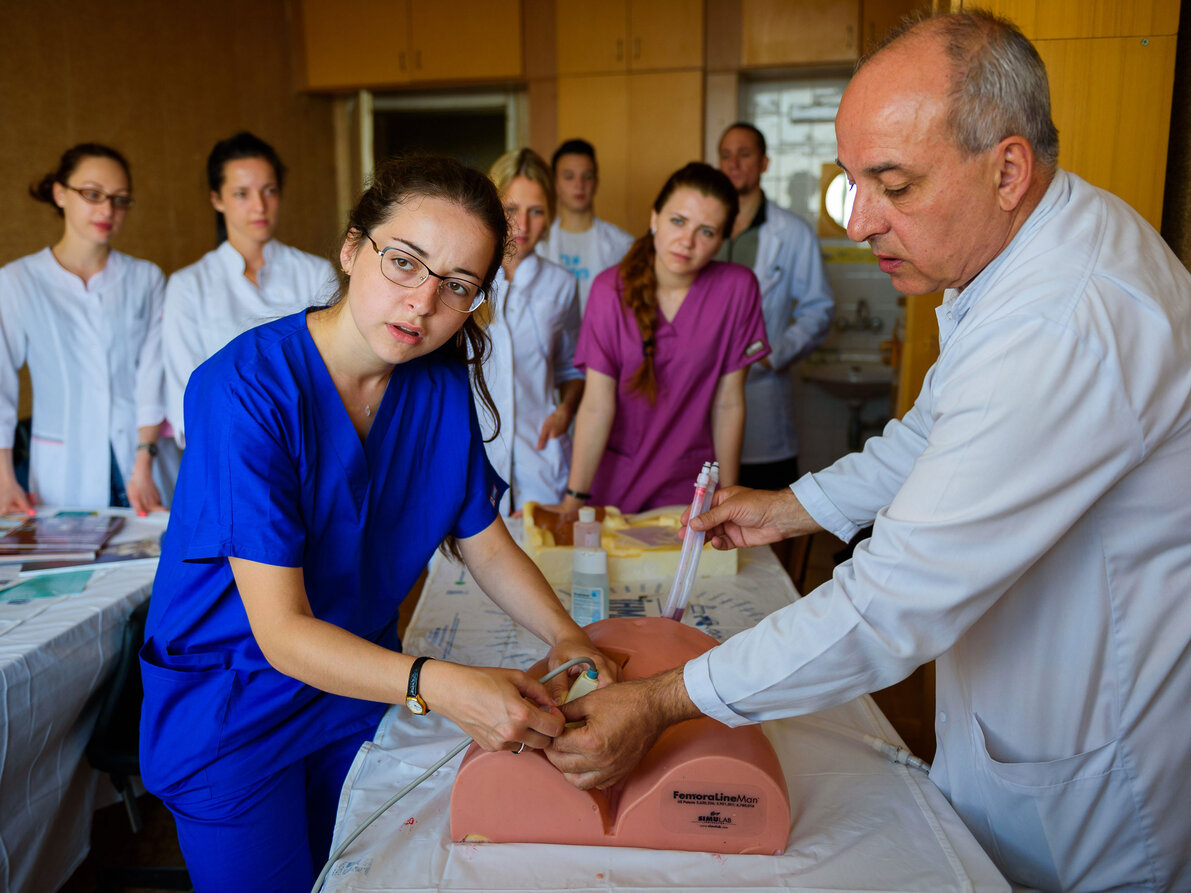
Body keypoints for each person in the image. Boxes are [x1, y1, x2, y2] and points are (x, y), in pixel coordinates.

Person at [546, 11, 1191, 892]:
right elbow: (930, 433)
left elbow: (891, 598)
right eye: (853, 183)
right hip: (1019, 709)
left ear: (1006, 169)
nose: (861, 222)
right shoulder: (1021, 257)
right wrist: (790, 507)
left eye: (893, 184)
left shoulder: (1062, 320)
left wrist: (665, 699)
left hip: (1093, 772)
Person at [139, 155, 617, 893]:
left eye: (457, 285)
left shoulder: (435, 380)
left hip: (355, 694)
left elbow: (481, 538)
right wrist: (443, 685)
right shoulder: (246, 391)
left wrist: (567, 635)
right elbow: (282, 632)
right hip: (233, 711)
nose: (423, 302)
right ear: (352, 248)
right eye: (404, 263)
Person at [559, 162, 770, 515]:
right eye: (677, 221)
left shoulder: (737, 288)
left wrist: (728, 496)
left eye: (706, 232)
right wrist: (573, 499)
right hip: (614, 483)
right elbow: (596, 405)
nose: (686, 242)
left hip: (691, 486)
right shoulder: (609, 290)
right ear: (655, 217)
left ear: (723, 238)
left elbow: (728, 403)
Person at [0, 143, 165, 515]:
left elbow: (152, 377)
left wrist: (145, 459)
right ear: (60, 193)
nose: (107, 210)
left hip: (139, 464)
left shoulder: (146, 278)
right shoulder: (18, 281)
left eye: (120, 199)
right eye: (93, 195)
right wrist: (4, 476)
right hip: (62, 467)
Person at [162, 131, 335, 446]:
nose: (259, 206)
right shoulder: (189, 285)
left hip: (312, 441)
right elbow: (185, 392)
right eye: (242, 193)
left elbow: (335, 371)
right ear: (216, 199)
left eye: (269, 190)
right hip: (223, 445)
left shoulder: (314, 273)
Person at [716, 122, 834, 491]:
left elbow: (819, 308)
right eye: (726, 155)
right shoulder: (706, 229)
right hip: (700, 395)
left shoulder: (792, 232)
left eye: (744, 154)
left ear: (765, 162)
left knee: (761, 510)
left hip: (761, 391)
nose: (734, 163)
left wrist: (772, 355)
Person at [483, 148, 584, 514]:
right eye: (511, 209)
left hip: (538, 452)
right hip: (473, 451)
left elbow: (572, 368)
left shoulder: (561, 285)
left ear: (549, 216)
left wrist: (566, 411)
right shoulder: (462, 277)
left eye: (536, 211)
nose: (522, 225)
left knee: (541, 561)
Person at [535, 139, 634, 313]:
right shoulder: (538, 244)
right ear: (555, 184)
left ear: (596, 181)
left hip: (604, 339)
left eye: (586, 176)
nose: (579, 185)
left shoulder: (624, 245)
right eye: (569, 176)